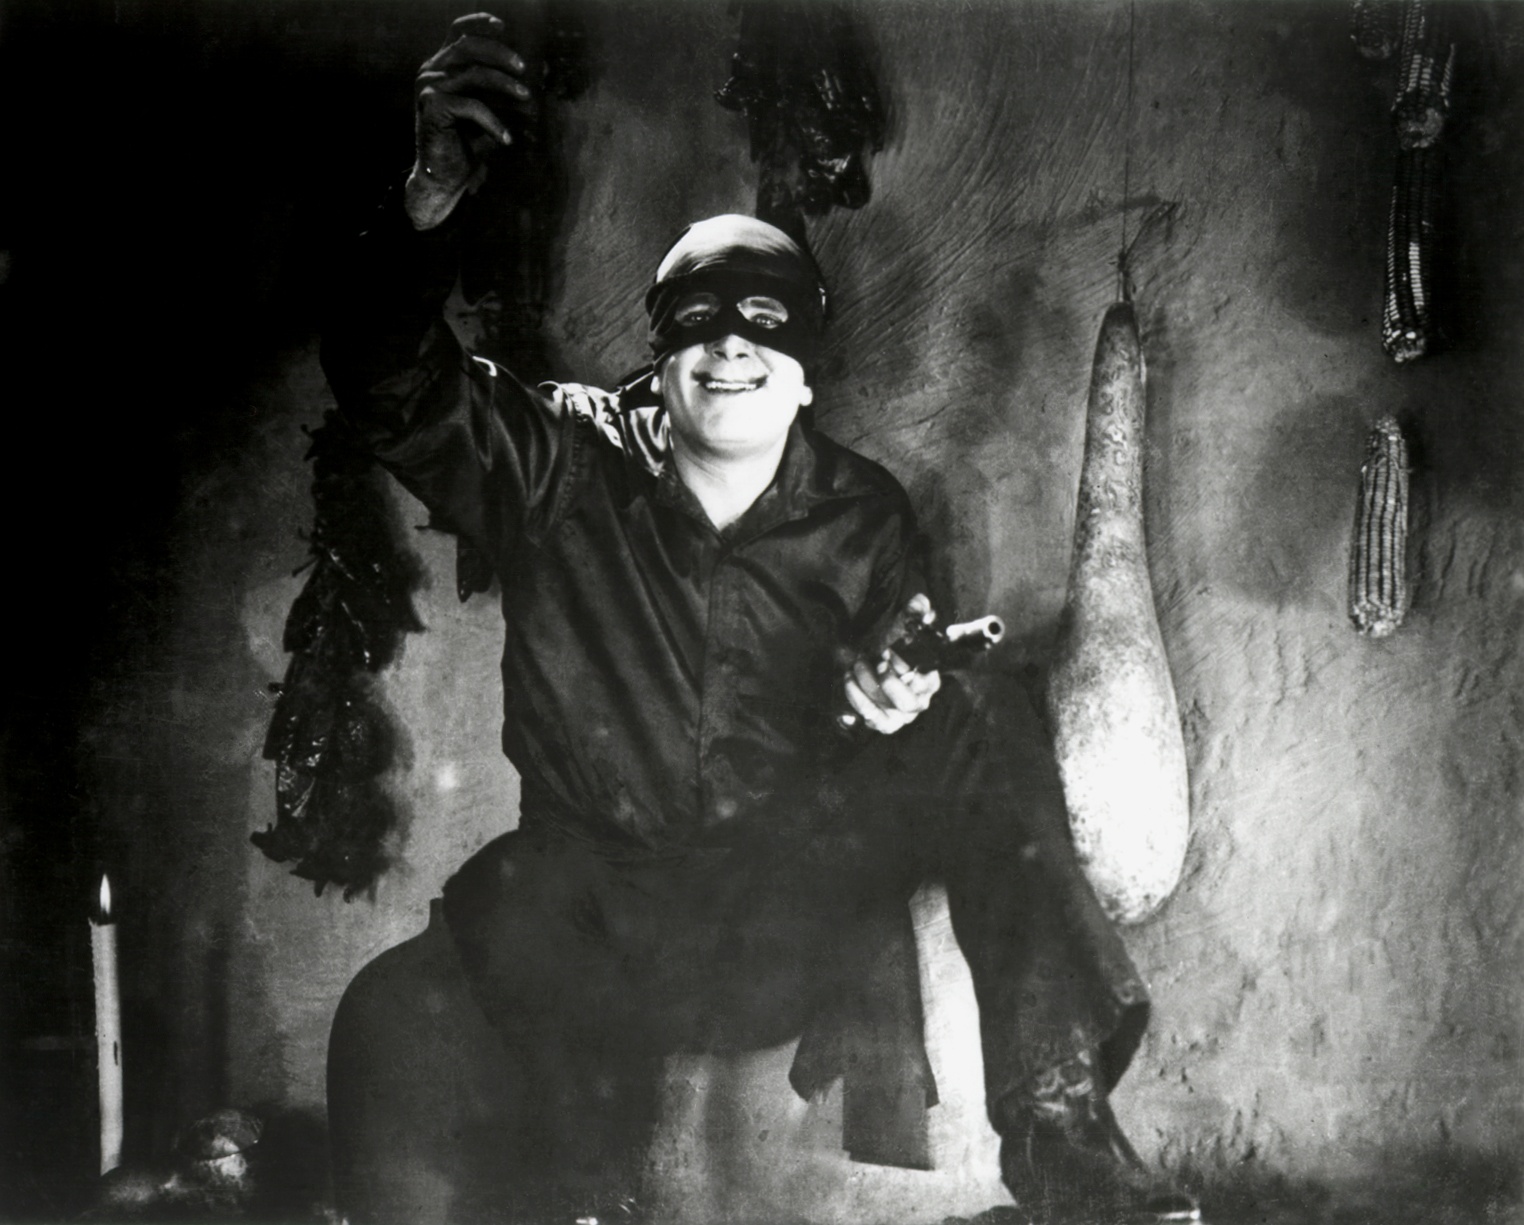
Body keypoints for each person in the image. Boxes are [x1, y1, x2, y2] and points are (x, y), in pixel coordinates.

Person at [322, 13, 1196, 1225]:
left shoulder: (863, 514)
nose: (730, 341)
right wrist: (423, 204)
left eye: (766, 320)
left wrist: (886, 702)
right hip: (592, 900)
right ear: (660, 353)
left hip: (783, 904)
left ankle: (1060, 1134)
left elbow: (893, 726)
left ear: (805, 372)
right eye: (697, 317)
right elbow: (392, 390)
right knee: (455, 1012)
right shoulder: (558, 461)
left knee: (982, 710)